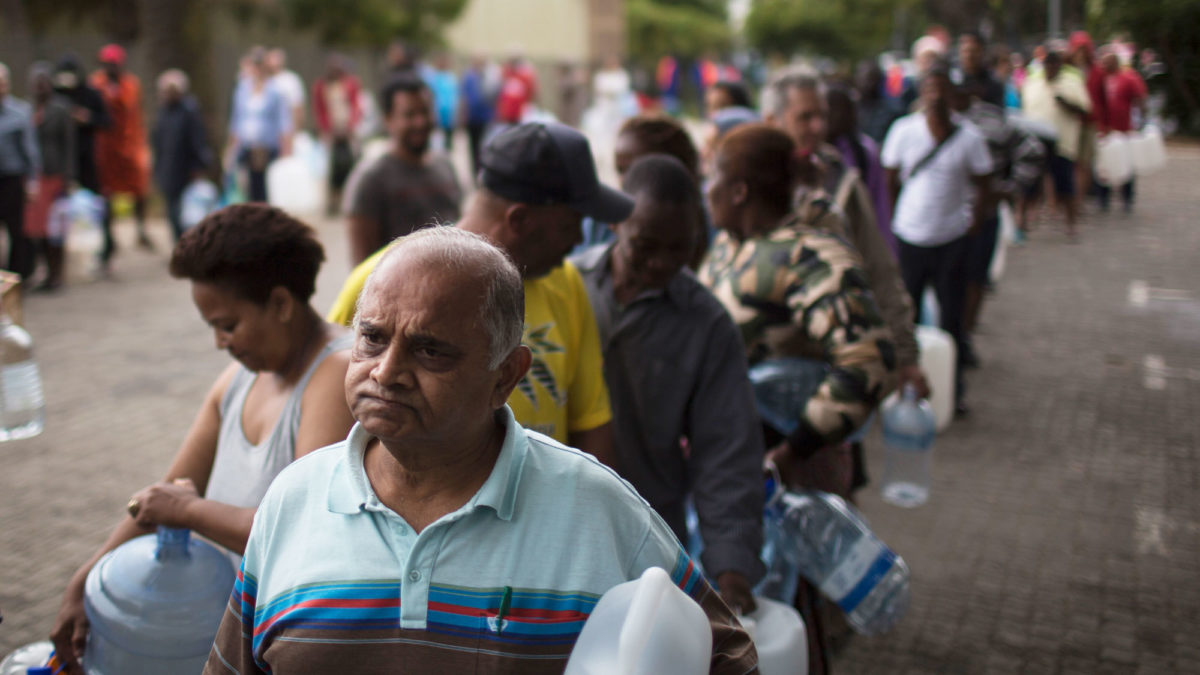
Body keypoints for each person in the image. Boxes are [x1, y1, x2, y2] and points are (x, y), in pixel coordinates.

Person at [203, 227, 757, 674]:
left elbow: (726, 657)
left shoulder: (597, 509)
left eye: (430, 351)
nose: (386, 372)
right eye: (371, 337)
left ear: (506, 376)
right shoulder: (292, 500)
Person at [50, 204, 356, 672]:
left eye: (227, 325)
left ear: (280, 303)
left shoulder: (334, 374)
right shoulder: (239, 380)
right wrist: (86, 579)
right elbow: (166, 493)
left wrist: (189, 512)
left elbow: (301, 530)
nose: (220, 343)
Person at [698, 123, 895, 675]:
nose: (704, 189)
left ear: (739, 190)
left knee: (787, 612)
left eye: (712, 177)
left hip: (786, 473)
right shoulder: (731, 247)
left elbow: (867, 360)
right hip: (732, 468)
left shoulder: (808, 252)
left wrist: (793, 450)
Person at [329, 122, 626, 464]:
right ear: (520, 220)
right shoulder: (380, 281)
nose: (578, 239)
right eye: (569, 223)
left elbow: (590, 421)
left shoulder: (566, 283)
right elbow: (332, 416)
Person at [571, 154, 765, 615]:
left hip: (648, 539)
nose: (662, 263)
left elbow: (726, 452)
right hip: (556, 528)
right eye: (646, 245)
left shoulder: (708, 325)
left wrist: (731, 568)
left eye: (680, 249)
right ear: (616, 224)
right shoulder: (566, 289)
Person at [762, 69, 924, 404]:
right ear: (771, 120)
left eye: (821, 115)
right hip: (763, 366)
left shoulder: (840, 179)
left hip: (830, 365)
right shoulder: (746, 183)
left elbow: (879, 268)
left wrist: (906, 356)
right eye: (805, 117)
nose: (818, 127)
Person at [882, 63, 993, 414]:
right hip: (911, 238)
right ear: (921, 93)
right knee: (905, 320)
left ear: (953, 95)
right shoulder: (904, 130)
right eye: (929, 88)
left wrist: (974, 222)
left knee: (951, 321)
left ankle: (952, 392)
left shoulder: (970, 137)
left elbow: (984, 183)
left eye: (942, 88)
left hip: (951, 240)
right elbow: (889, 180)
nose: (935, 95)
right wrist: (894, 221)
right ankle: (901, 388)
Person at [952, 78, 1045, 365]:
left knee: (975, 278)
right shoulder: (924, 119)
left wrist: (1010, 188)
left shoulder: (992, 119)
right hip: (942, 221)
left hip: (984, 216)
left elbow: (1032, 151)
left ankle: (963, 339)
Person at [344, 74, 462, 266]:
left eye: (425, 112)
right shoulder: (370, 179)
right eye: (410, 115)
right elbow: (362, 266)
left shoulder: (445, 166)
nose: (420, 122)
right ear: (388, 120)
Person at [1021, 50, 1090, 237]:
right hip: (1035, 143)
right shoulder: (1032, 84)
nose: (1051, 69)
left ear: (1060, 66)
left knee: (1065, 187)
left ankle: (1071, 225)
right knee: (1030, 184)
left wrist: (1066, 103)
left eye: (1054, 65)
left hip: (1062, 144)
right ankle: (1021, 222)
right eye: (1047, 65)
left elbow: (1084, 109)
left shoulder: (1072, 83)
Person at [90, 44, 152, 253]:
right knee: (105, 192)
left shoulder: (131, 84)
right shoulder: (96, 84)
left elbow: (132, 110)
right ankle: (109, 236)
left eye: (113, 64)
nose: (109, 68)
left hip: (130, 143)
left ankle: (141, 229)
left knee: (140, 187)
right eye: (106, 64)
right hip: (106, 147)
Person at [52, 55, 109, 274]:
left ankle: (102, 252)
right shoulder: (56, 96)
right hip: (62, 163)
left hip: (88, 161)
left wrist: (87, 118)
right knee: (61, 213)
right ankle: (64, 260)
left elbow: (107, 121)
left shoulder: (91, 94)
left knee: (94, 208)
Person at [24, 62, 73, 291]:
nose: (40, 87)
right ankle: (45, 272)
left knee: (56, 229)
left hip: (56, 175)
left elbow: (69, 145)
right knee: (38, 229)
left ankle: (57, 274)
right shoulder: (28, 110)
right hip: (36, 176)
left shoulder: (61, 110)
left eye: (44, 83)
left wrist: (69, 177)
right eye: (37, 83)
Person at [151, 69, 212, 242]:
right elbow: (158, 142)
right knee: (172, 214)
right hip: (168, 170)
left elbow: (198, 139)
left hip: (186, 171)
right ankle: (179, 245)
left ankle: (190, 245)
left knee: (188, 214)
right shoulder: (163, 112)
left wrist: (198, 166)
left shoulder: (189, 110)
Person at [225, 47, 291, 203]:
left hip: (266, 147)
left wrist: (286, 148)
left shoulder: (275, 90)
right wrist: (230, 146)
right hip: (246, 146)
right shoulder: (242, 89)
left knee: (263, 188)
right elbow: (236, 119)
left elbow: (283, 122)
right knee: (245, 186)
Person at [0, 62, 40, 282]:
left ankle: (16, 278)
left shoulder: (20, 112)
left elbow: (30, 150)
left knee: (17, 231)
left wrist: (33, 182)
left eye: (3, 83)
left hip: (12, 180)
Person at [1095, 46, 1147, 212]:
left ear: (1115, 62)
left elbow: (1140, 98)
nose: (1103, 65)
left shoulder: (1128, 78)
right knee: (1104, 166)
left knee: (1126, 165)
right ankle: (1103, 198)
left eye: (1107, 62)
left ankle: (1127, 198)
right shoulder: (1100, 79)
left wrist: (1141, 121)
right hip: (1104, 129)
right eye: (1102, 62)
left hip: (1124, 129)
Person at [312, 54, 362, 216]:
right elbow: (320, 110)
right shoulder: (321, 86)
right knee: (331, 167)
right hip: (331, 133)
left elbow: (355, 106)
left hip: (348, 131)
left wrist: (350, 126)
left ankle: (349, 199)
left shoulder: (350, 84)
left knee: (350, 164)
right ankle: (332, 200)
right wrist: (327, 129)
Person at [1068, 31, 1106, 204]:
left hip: (1090, 121)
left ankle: (1079, 199)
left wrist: (1105, 123)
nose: (1081, 53)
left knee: (1085, 162)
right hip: (1070, 121)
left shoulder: (1097, 71)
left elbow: (1103, 98)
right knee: (1070, 162)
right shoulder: (1067, 70)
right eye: (1078, 49)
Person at [459, 55, 498, 177]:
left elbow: (494, 97)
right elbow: (464, 98)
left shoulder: (489, 77)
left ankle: (482, 171)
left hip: (485, 118)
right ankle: (475, 172)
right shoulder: (468, 77)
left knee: (483, 146)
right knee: (473, 147)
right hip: (472, 118)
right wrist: (462, 116)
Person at [955, 32, 1006, 107]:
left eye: (973, 51)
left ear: (982, 51)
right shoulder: (952, 80)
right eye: (965, 51)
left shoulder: (993, 84)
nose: (969, 56)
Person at [265, 48, 305, 134]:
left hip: (286, 132)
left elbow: (297, 107)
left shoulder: (290, 80)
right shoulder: (263, 81)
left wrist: (295, 131)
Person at [426, 52, 458, 152]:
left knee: (448, 139)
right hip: (437, 111)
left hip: (449, 112)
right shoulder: (433, 77)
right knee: (436, 138)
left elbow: (455, 96)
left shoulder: (451, 77)